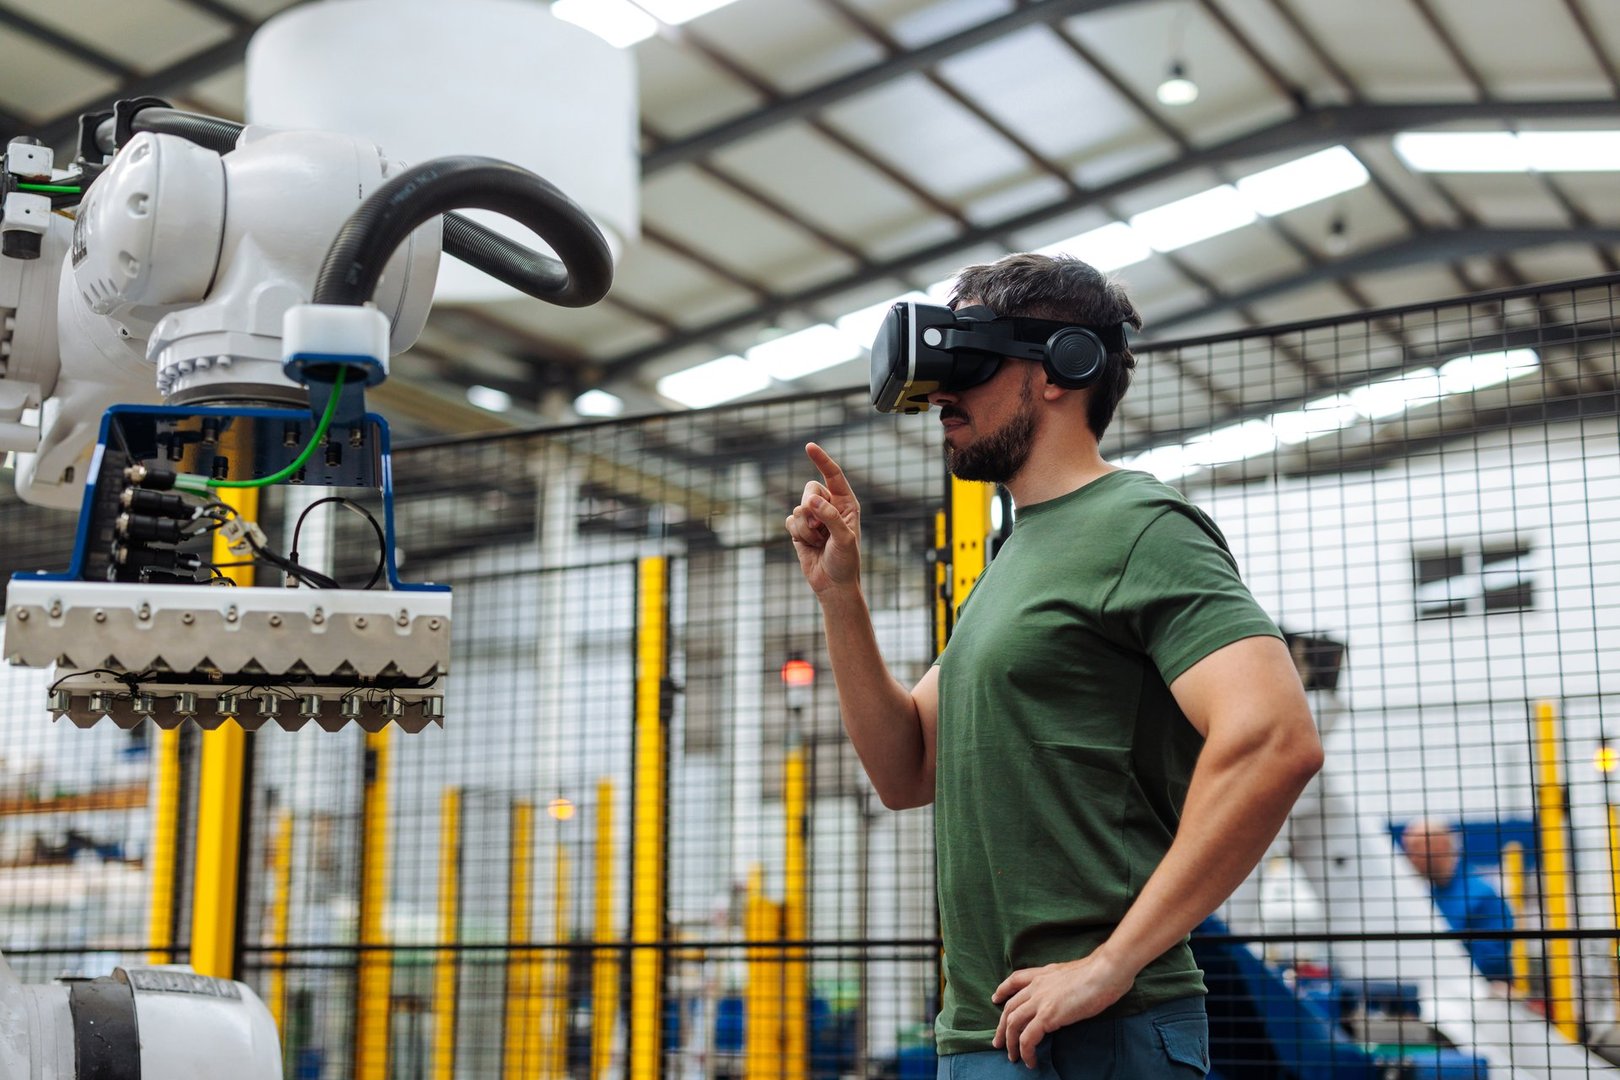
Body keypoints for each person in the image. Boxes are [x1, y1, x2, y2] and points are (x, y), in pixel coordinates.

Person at [785, 253, 1324, 1077]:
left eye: (970, 361)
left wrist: (1112, 963)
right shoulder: (1013, 558)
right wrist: (841, 597)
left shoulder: (1140, 522)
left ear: (1060, 369)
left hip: (1103, 1030)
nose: (941, 396)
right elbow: (906, 769)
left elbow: (1276, 740)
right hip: (984, 1029)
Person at [1400, 818, 1515, 983]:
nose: (1410, 858)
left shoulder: (1480, 895)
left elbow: (1491, 960)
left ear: (1440, 846)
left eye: (1414, 849)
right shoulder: (1427, 895)